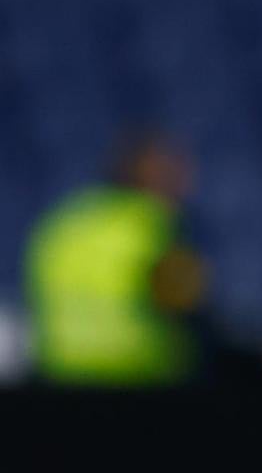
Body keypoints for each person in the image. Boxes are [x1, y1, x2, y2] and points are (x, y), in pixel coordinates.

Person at [24, 129, 208, 386]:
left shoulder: (64, 221)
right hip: (139, 375)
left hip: (61, 376)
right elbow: (181, 302)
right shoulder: (151, 226)